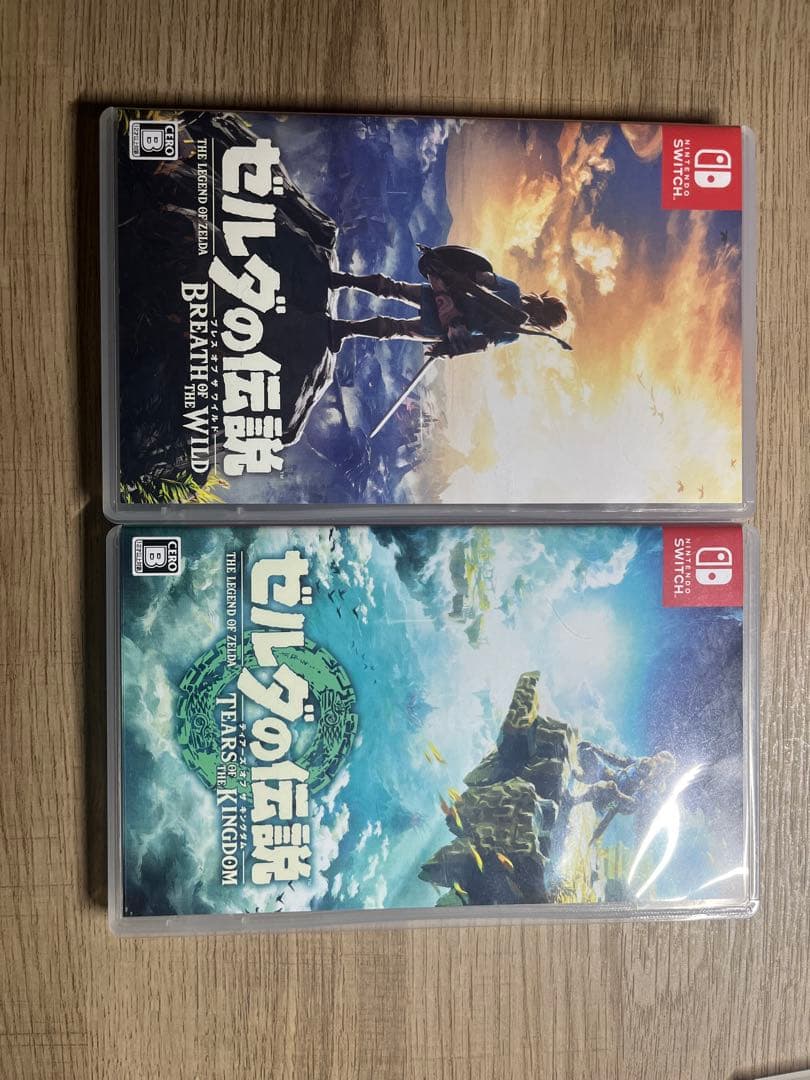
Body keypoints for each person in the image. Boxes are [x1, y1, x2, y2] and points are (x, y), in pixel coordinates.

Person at [327, 245, 567, 358]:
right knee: (397, 326)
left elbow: (479, 277)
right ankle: (345, 328)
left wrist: (446, 272)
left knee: (395, 290)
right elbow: (483, 342)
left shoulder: (512, 294)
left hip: (446, 298)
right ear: (543, 323)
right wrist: (450, 349)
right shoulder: (513, 330)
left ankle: (342, 282)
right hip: (450, 322)